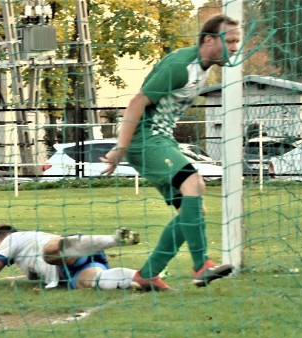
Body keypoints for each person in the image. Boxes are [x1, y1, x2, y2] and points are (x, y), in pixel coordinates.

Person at [100, 14, 241, 291]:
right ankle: (202, 265)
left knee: (193, 210)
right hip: (145, 140)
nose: (236, 47)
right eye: (231, 41)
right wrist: (121, 147)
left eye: (238, 41)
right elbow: (137, 102)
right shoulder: (180, 66)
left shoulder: (204, 66)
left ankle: (148, 274)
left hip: (161, 140)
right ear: (209, 40)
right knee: (194, 183)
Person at [0, 224, 142, 290]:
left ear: (4, 238)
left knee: (50, 252)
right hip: (68, 272)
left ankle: (114, 239)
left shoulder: (13, 239)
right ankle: (142, 276)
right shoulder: (25, 256)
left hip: (70, 251)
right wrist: (17, 278)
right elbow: (33, 276)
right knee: (92, 281)